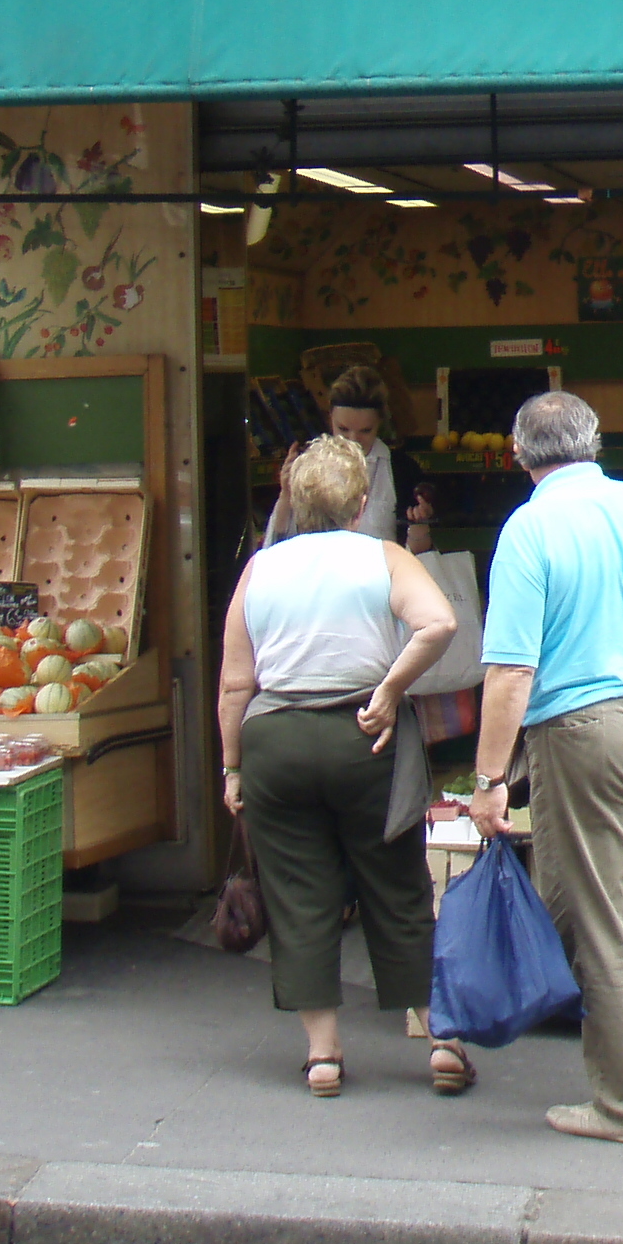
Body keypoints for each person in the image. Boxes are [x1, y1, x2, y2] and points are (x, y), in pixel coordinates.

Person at [466, 392, 623, 1145]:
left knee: (599, 916)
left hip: (582, 727)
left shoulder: (529, 528)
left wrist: (486, 784)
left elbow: (511, 670)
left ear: (519, 455)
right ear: (595, 443)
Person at [219, 433, 468, 1100]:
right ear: (360, 504)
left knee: (300, 896)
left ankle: (323, 1056)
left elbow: (235, 684)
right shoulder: (383, 558)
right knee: (398, 888)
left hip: (275, 739)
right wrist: (390, 690)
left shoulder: (260, 570)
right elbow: (439, 623)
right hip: (367, 738)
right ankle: (441, 1041)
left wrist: (232, 767)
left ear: (295, 503)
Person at [266, 363, 434, 553]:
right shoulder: (309, 465)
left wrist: (420, 524)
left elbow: (419, 557)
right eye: (343, 429)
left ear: (380, 423)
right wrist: (287, 494)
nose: (353, 441)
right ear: (330, 418)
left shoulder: (401, 469)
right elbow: (275, 547)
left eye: (365, 431)